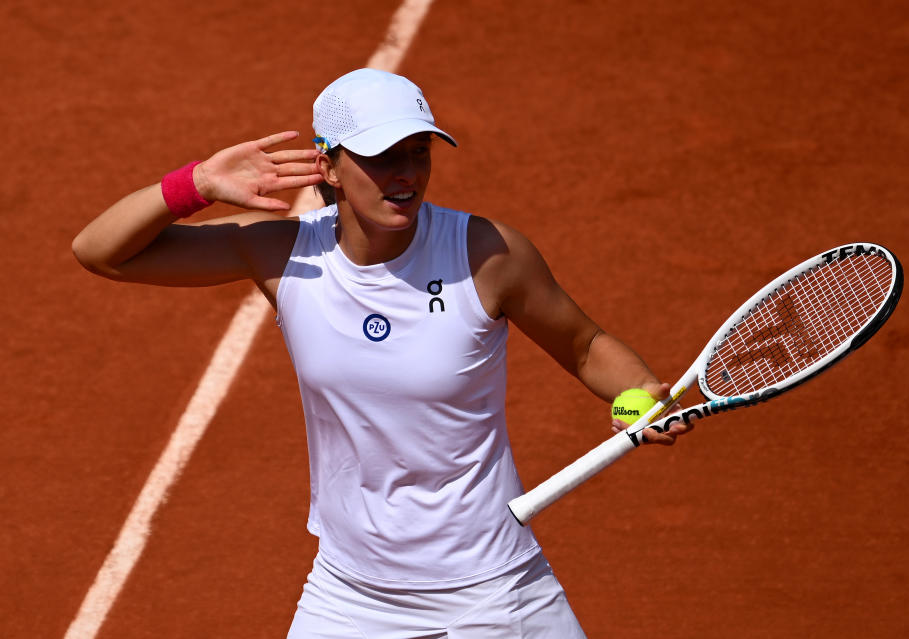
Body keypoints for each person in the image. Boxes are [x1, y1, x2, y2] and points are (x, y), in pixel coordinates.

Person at [72, 68, 691, 638]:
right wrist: (197, 184)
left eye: (418, 154)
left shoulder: (487, 254)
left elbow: (584, 345)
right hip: (351, 596)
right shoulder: (285, 254)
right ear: (330, 168)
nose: (407, 174)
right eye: (381, 158)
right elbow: (102, 252)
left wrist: (635, 392)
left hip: (496, 593)